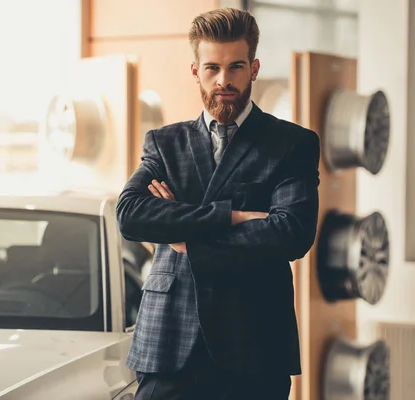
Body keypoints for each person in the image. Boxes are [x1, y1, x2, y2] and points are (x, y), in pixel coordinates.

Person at [115, 7, 320, 400]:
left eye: (236, 67)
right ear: (195, 70)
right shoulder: (165, 143)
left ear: (254, 68)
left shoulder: (292, 144)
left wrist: (188, 240)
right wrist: (234, 215)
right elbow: (131, 214)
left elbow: (290, 233)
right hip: (169, 339)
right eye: (212, 68)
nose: (224, 80)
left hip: (255, 340)